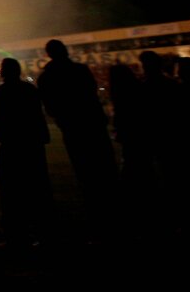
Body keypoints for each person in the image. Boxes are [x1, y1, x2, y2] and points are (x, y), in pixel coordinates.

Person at [36, 39, 118, 237]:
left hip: (72, 126)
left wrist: (63, 117)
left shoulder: (47, 76)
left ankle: (98, 217)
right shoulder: (80, 70)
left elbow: (49, 105)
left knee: (85, 171)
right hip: (91, 122)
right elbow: (91, 92)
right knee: (106, 168)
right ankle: (115, 212)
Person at [0, 57, 52, 251]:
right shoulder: (30, 90)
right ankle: (44, 235)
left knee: (11, 194)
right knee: (38, 191)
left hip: (12, 146)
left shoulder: (1, 92)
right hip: (33, 145)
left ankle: (15, 237)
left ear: (4, 72)